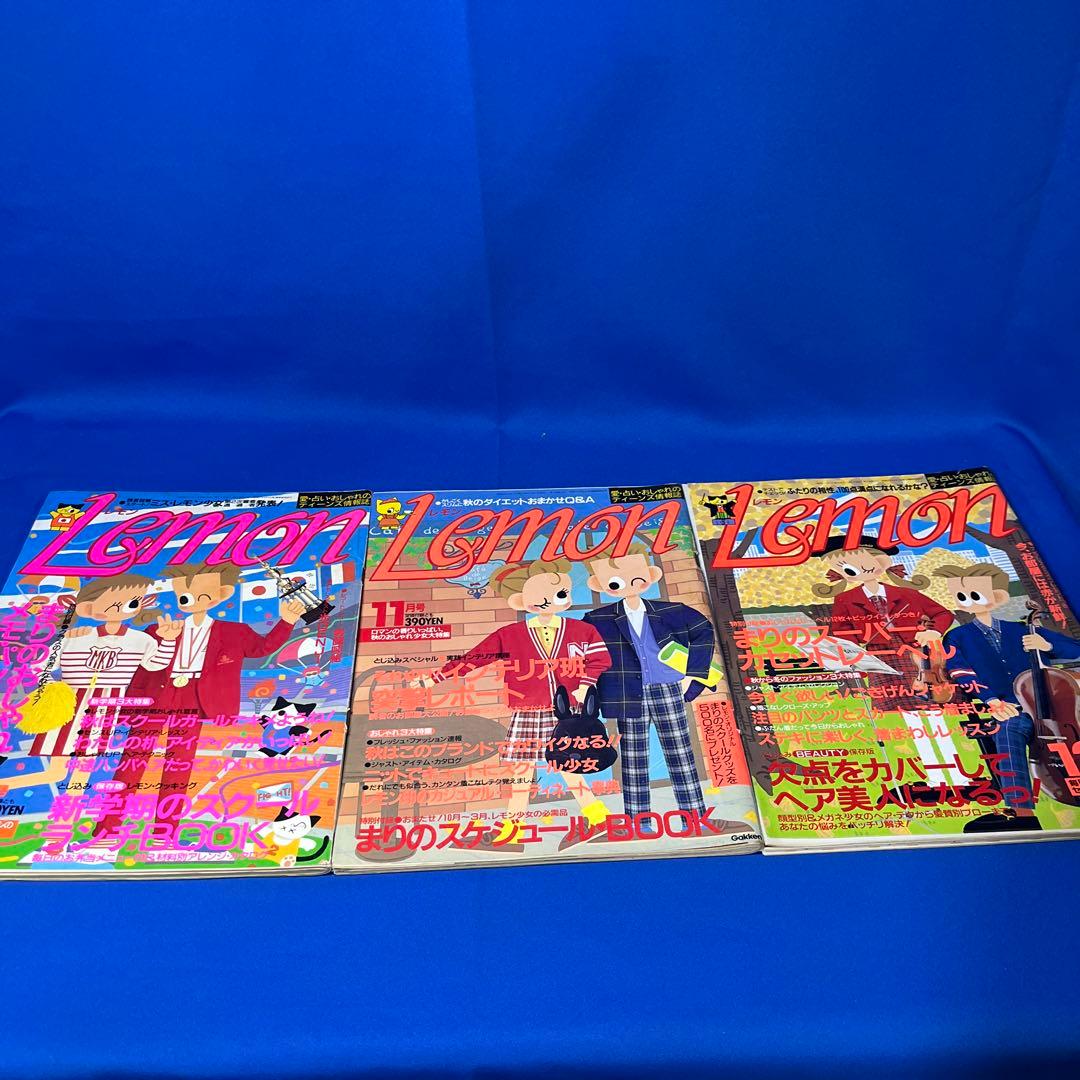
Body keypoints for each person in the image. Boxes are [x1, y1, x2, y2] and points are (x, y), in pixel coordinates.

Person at [92, 560, 305, 842]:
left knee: (178, 766)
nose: (191, 601)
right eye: (184, 596)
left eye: (201, 595)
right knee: (132, 762)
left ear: (223, 594)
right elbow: (138, 665)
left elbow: (261, 648)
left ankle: (164, 833)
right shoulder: (158, 629)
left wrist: (286, 621)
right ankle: (106, 829)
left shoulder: (234, 631)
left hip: (196, 696)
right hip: (158, 693)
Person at [424, 557, 612, 849]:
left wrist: (585, 685)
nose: (555, 600)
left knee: (569, 765)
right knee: (522, 769)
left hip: (567, 713)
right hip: (528, 710)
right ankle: (514, 829)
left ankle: (598, 819)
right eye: (545, 595)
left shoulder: (582, 630)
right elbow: (474, 659)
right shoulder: (510, 635)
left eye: (561, 593)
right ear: (521, 601)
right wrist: (435, 677)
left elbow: (601, 659)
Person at [934, 562, 1080, 831]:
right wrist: (991, 700)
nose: (968, 601)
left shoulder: (1023, 629)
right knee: (1007, 728)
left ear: (998, 596)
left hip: (1055, 712)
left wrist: (1047, 644)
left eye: (975, 594)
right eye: (961, 596)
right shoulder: (957, 636)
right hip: (1008, 707)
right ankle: (1022, 813)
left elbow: (1075, 648)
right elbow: (960, 671)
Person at [813, 534, 968, 787]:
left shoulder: (906, 593)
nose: (858, 570)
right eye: (846, 568)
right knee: (911, 718)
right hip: (882, 661)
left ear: (881, 561)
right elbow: (842, 633)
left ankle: (958, 775)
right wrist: (853, 646)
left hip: (916, 658)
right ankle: (936, 777)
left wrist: (933, 632)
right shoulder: (844, 599)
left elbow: (942, 613)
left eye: (866, 562)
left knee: (934, 715)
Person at [582, 542, 712, 825]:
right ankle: (638, 821)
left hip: (669, 687)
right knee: (633, 758)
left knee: (680, 752)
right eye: (614, 582)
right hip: (627, 693)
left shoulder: (672, 611)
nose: (627, 585)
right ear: (598, 585)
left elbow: (704, 631)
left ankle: (694, 817)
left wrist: (693, 673)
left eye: (637, 577)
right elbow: (586, 655)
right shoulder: (597, 618)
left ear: (651, 575)